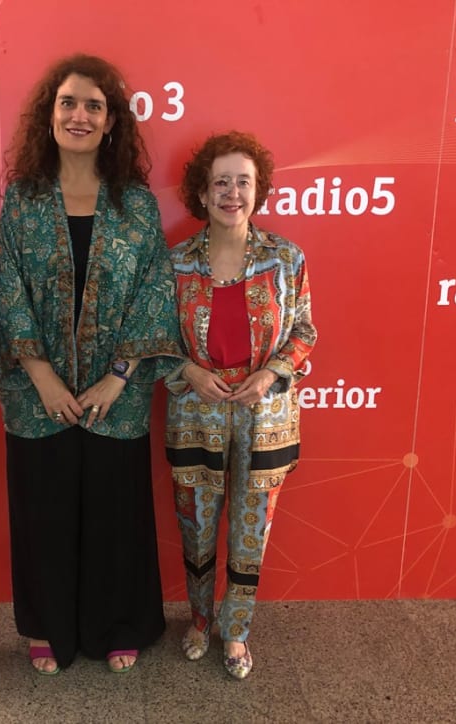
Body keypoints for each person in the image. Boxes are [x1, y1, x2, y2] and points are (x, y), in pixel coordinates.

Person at [0, 54, 182, 675]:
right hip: (33, 391)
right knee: (44, 507)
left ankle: (117, 621)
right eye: (68, 102)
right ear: (50, 116)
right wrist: (40, 373)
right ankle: (47, 626)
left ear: (111, 122)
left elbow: (155, 290)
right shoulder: (23, 200)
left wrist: (117, 376)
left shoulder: (136, 205)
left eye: (93, 106)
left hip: (114, 391)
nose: (79, 114)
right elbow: (6, 285)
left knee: (112, 508)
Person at [165, 131, 317, 680]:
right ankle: (202, 621)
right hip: (196, 415)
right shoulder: (175, 263)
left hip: (265, 416)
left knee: (251, 533)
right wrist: (188, 371)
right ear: (202, 194)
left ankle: (237, 631)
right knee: (197, 528)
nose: (232, 192)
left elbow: (303, 332)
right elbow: (154, 339)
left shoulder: (285, 258)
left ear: (259, 191)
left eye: (243, 182)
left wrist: (272, 373)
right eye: (221, 182)